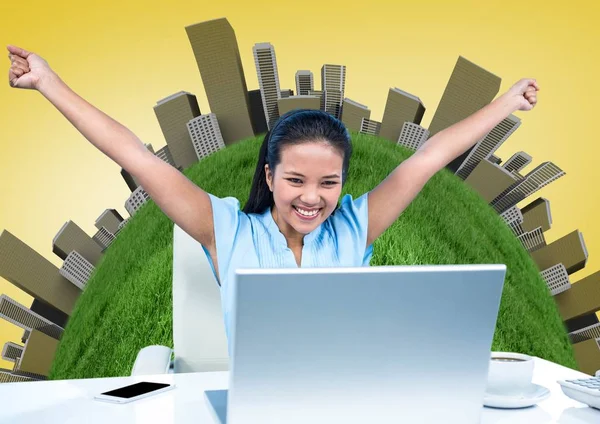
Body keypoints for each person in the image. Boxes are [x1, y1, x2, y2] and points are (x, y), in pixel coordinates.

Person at [7, 44, 539, 343]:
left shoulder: (355, 228)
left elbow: (428, 157)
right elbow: (136, 157)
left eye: (329, 183)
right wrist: (49, 83)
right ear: (269, 177)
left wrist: (506, 104)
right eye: (296, 180)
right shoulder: (227, 230)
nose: (313, 198)